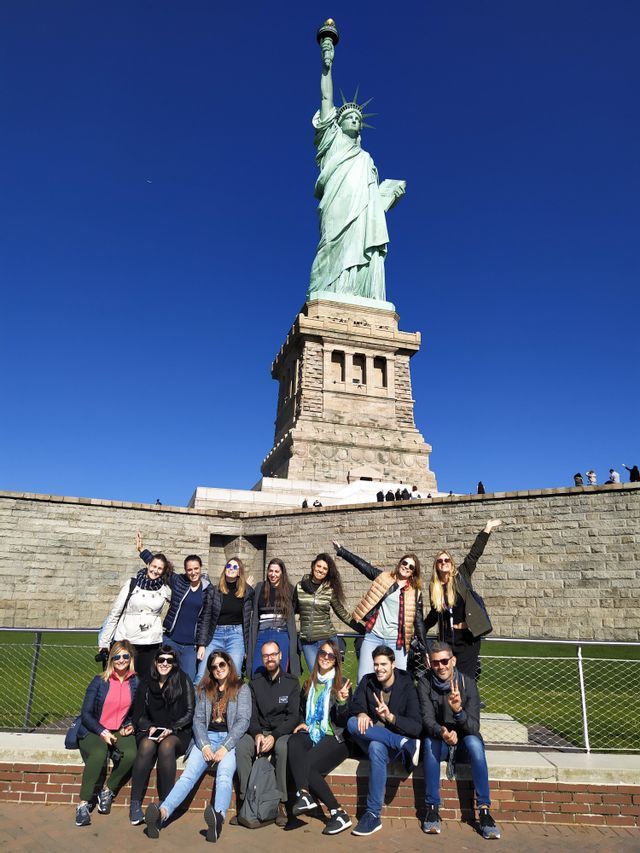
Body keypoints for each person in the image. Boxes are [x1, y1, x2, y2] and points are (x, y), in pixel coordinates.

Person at [307, 27, 405, 301]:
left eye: (357, 119)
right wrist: (327, 62)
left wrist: (388, 195)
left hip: (361, 213)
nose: (353, 120)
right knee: (330, 244)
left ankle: (358, 292)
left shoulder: (366, 159)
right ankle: (329, 291)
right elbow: (327, 98)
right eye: (348, 116)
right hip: (337, 205)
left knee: (360, 242)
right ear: (338, 123)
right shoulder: (331, 140)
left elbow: (373, 202)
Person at [145, 650, 251, 842]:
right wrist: (204, 746)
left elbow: (243, 721)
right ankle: (161, 814)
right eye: (213, 667)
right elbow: (198, 720)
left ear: (229, 665)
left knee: (224, 776)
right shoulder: (205, 689)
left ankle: (217, 820)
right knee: (188, 776)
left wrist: (225, 747)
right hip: (207, 738)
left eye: (221, 665)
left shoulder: (242, 689)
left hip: (230, 740)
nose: (218, 669)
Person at [418, 642, 500, 840]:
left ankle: (484, 811)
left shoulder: (467, 683)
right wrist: (442, 731)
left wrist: (458, 712)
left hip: (463, 740)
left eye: (445, 661)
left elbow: (473, 727)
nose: (441, 666)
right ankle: (431, 808)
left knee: (475, 744)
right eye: (436, 662)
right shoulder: (425, 682)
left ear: (453, 661)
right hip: (440, 738)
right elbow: (427, 718)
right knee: (429, 744)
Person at [346, 645, 422, 836]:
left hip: (391, 748)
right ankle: (404, 744)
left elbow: (416, 726)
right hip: (384, 739)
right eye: (376, 664)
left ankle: (372, 814)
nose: (379, 669)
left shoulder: (407, 686)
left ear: (393, 664)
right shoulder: (368, 681)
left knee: (376, 747)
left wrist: (391, 718)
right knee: (353, 723)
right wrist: (362, 712)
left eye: (383, 664)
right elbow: (355, 704)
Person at [333, 541, 428, 682]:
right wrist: (342, 552)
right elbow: (364, 567)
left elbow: (418, 622)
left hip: (397, 641)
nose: (406, 567)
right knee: (363, 679)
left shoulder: (415, 593)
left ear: (414, 572)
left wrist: (425, 649)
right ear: (399, 564)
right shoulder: (384, 577)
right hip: (374, 636)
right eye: (404, 563)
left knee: (399, 682)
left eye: (411, 567)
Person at [287, 640, 353, 835]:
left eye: (330, 655)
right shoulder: (309, 683)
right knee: (294, 741)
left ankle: (338, 812)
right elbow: (301, 710)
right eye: (322, 653)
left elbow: (343, 722)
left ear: (336, 661)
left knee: (306, 764)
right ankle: (304, 794)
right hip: (313, 732)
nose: (325, 657)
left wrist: (341, 702)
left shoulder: (342, 684)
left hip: (336, 738)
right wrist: (301, 721)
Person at [424, 520, 501, 681]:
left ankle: (469, 706)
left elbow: (474, 555)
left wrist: (486, 529)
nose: (444, 563)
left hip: (467, 640)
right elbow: (433, 614)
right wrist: (419, 630)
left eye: (447, 560)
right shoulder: (435, 588)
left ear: (451, 563)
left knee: (466, 682)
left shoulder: (462, 575)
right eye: (440, 561)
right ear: (436, 566)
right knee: (447, 681)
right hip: (447, 640)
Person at [235, 640, 301, 827]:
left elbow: (293, 717)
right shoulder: (254, 684)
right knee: (242, 747)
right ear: (262, 659)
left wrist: (275, 736)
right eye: (266, 655)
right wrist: (257, 734)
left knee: (282, 748)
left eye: (273, 654)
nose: (270, 658)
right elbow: (251, 715)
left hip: (281, 732)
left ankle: (281, 802)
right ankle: (246, 801)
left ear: (280, 656)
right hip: (260, 730)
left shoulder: (292, 683)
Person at [74, 641, 139, 827]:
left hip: (119, 729)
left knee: (131, 754)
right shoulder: (99, 681)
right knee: (99, 754)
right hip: (94, 728)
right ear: (111, 659)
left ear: (130, 659)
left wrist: (132, 725)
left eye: (125, 656)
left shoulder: (135, 681)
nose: (121, 660)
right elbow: (86, 713)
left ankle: (108, 790)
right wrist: (101, 731)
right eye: (117, 656)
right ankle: (83, 804)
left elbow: (139, 711)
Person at [129, 646, 195, 825]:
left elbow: (189, 713)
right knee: (146, 746)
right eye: (161, 660)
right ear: (155, 661)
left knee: (166, 747)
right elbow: (138, 715)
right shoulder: (146, 681)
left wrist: (171, 729)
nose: (164, 663)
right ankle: (135, 803)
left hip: (177, 732)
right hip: (151, 730)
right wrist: (149, 727)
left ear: (174, 663)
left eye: (169, 660)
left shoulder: (183, 680)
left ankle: (165, 805)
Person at [137, 534, 210, 682]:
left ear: (201, 568)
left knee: (187, 681)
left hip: (191, 646)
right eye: (189, 569)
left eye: (196, 569)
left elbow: (205, 620)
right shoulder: (179, 582)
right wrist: (142, 550)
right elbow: (161, 569)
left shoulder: (208, 590)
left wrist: (201, 644)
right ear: (185, 570)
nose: (193, 572)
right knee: (163, 678)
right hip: (171, 640)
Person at [98, 552, 172, 680]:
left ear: (164, 570)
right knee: (122, 680)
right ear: (148, 565)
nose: (155, 570)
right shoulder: (132, 583)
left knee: (144, 683)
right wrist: (104, 643)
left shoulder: (165, 589)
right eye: (153, 566)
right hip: (127, 641)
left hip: (150, 643)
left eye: (159, 568)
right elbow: (115, 613)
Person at [294, 552, 361, 671]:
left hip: (327, 639)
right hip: (308, 642)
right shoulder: (299, 587)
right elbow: (292, 609)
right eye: (319, 566)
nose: (321, 570)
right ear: (313, 566)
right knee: (316, 677)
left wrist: (363, 629)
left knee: (330, 678)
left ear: (328, 572)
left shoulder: (329, 590)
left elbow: (342, 613)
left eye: (325, 568)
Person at [195, 556, 254, 683]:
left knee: (235, 675)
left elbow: (249, 622)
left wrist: (247, 648)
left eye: (234, 567)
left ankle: (230, 703)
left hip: (236, 636)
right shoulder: (214, 590)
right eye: (228, 566)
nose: (231, 569)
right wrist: (201, 644)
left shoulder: (247, 592)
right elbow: (206, 617)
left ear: (239, 572)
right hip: (215, 634)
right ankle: (197, 703)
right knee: (201, 675)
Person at [247, 558, 300, 677]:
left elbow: (296, 609)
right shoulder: (260, 587)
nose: (273, 574)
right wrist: (247, 588)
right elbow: (248, 606)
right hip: (262, 634)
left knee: (279, 672)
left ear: (282, 573)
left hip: (281, 634)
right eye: (270, 571)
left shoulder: (289, 590)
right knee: (258, 670)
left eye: (276, 571)